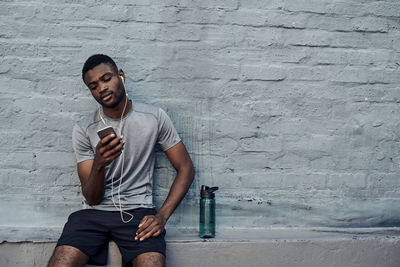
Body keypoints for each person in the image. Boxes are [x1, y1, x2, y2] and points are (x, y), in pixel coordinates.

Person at [48, 54, 195, 267]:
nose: (102, 88)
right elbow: (92, 198)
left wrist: (162, 216)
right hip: (93, 215)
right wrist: (99, 164)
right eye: (93, 86)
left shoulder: (154, 117)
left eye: (106, 78)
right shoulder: (83, 128)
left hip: (138, 212)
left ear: (121, 76)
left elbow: (186, 168)